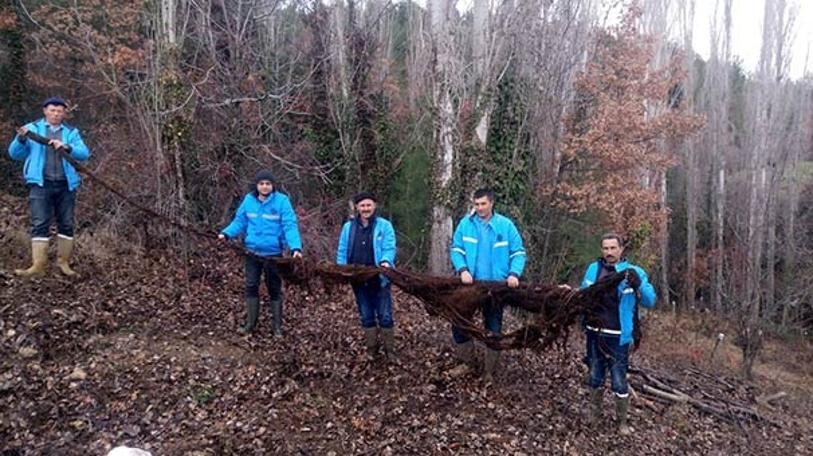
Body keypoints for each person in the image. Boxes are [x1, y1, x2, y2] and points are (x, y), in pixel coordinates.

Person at [578, 232, 655, 435]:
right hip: (594, 333)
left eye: (613, 248)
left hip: (619, 336)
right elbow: (582, 296)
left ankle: (621, 422)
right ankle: (594, 416)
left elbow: (650, 300)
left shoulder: (633, 271)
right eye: (606, 248)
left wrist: (638, 284)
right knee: (595, 375)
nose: (609, 252)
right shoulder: (594, 269)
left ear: (621, 249)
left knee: (619, 379)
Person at [449, 188, 526, 382]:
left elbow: (518, 252)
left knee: (493, 327)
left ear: (491, 203)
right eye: (477, 204)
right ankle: (467, 363)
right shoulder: (465, 224)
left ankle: (489, 371)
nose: (480, 208)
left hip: (496, 287)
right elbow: (456, 249)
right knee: (459, 323)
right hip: (470, 286)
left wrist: (513, 273)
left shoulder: (506, 225)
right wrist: (463, 269)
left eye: (483, 204)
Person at [8, 96, 91, 278]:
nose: (55, 114)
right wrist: (20, 140)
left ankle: (64, 263)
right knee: (40, 223)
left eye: (59, 111)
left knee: (67, 224)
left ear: (64, 114)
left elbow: (84, 153)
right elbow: (14, 154)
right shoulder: (31, 129)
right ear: (45, 111)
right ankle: (38, 266)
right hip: (41, 184)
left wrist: (67, 147)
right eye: (52, 110)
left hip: (66, 185)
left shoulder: (71, 132)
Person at [218, 169, 302, 336]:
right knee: (251, 285)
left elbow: (289, 226)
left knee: (274, 288)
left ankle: (277, 327)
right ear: (256, 186)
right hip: (252, 253)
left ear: (273, 186)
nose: (265, 187)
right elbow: (239, 222)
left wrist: (295, 248)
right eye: (262, 183)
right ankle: (250, 324)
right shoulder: (249, 200)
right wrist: (226, 233)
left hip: (273, 254)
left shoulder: (282, 202)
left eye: (268, 184)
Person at [336, 192, 397, 359]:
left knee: (385, 315)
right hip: (358, 279)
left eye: (368, 205)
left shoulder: (384, 226)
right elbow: (342, 250)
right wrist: (342, 269)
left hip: (379, 278)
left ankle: (389, 350)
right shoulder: (348, 227)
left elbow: (389, 247)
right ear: (357, 207)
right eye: (362, 206)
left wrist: (385, 262)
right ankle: (372, 349)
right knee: (366, 314)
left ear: (374, 206)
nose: (365, 209)